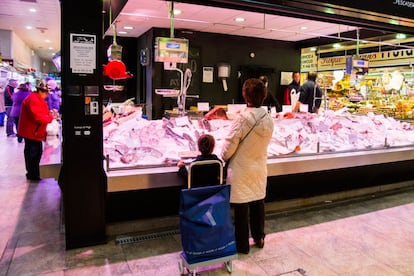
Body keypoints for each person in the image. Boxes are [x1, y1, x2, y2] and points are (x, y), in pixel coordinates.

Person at [221, 78, 274, 254]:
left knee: (241, 209)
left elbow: (228, 148)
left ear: (245, 96)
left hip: (241, 170)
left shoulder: (242, 119)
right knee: (258, 203)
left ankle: (242, 246)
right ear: (264, 96)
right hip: (259, 168)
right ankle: (259, 238)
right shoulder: (268, 119)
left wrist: (222, 156)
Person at [18, 82, 54, 181]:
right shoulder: (34, 100)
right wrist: (50, 118)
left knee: (34, 152)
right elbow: (38, 117)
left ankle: (33, 172)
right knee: (34, 153)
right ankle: (32, 174)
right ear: (40, 91)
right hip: (32, 131)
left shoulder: (36, 98)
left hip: (33, 131)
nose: (47, 95)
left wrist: (49, 114)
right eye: (46, 93)